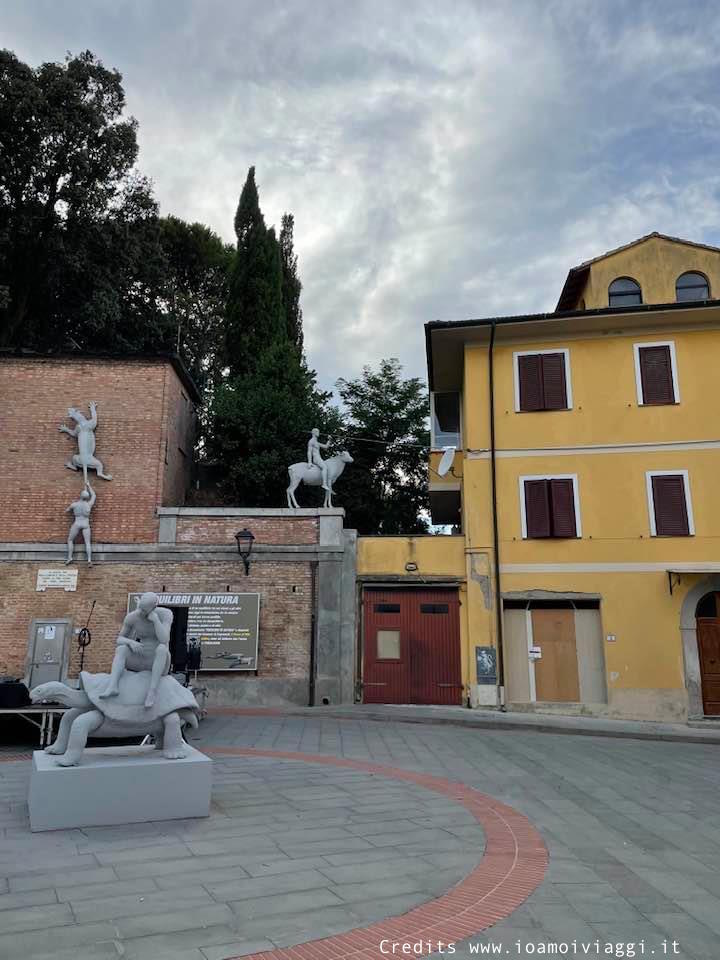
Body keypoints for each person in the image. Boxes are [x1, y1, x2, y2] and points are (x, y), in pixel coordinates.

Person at [100, 592, 173, 708]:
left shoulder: (165, 614)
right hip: (141, 656)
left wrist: (155, 621)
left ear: (154, 607)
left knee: (162, 648)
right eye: (140, 608)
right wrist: (130, 642)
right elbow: (119, 639)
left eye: (145, 610)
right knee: (122, 649)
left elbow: (164, 639)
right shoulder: (132, 617)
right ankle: (113, 686)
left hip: (158, 660)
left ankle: (152, 692)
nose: (141, 612)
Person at [65, 482, 96, 565]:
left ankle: (70, 557)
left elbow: (67, 510)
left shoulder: (74, 505)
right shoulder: (89, 504)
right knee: (87, 542)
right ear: (87, 497)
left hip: (77, 523)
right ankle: (89, 560)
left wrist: (69, 509)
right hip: (85, 524)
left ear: (80, 496)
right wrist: (89, 486)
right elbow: (94, 495)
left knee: (70, 540)